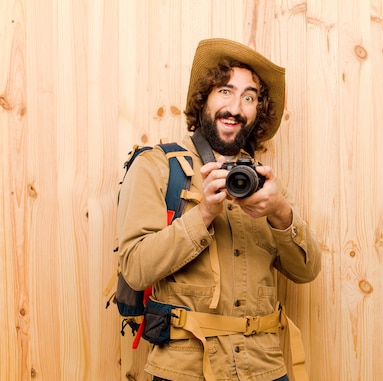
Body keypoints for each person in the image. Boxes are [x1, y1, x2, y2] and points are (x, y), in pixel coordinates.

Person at [117, 38, 322, 381]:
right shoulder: (157, 166)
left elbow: (307, 271)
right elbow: (135, 270)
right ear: (204, 99)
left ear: (258, 111)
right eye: (225, 91)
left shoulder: (263, 182)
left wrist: (281, 213)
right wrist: (204, 214)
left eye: (249, 97)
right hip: (185, 369)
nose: (236, 107)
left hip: (264, 368)